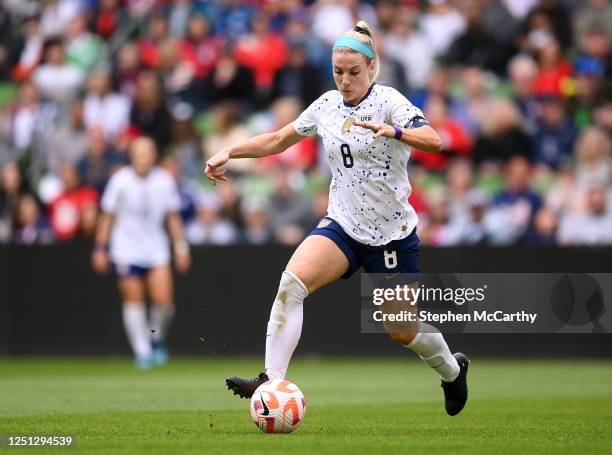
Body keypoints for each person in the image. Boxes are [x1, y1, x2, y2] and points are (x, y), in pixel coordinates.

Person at [204, 21, 470, 416]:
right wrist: (231, 151)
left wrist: (394, 131)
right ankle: (271, 381)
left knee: (403, 332)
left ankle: (452, 371)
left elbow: (435, 139)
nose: (345, 81)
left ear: (373, 68)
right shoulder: (326, 105)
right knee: (291, 284)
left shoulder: (390, 101)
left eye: (353, 72)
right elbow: (279, 139)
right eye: (338, 72)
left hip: (391, 236)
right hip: (344, 225)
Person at [92, 136, 191, 369]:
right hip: (125, 249)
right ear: (132, 155)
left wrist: (181, 248)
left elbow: (173, 217)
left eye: (147, 152)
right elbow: (107, 216)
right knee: (133, 300)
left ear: (154, 155)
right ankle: (142, 351)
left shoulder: (164, 180)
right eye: (139, 152)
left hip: (156, 248)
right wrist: (100, 248)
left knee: (165, 303)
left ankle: (155, 338)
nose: (143, 157)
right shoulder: (120, 181)